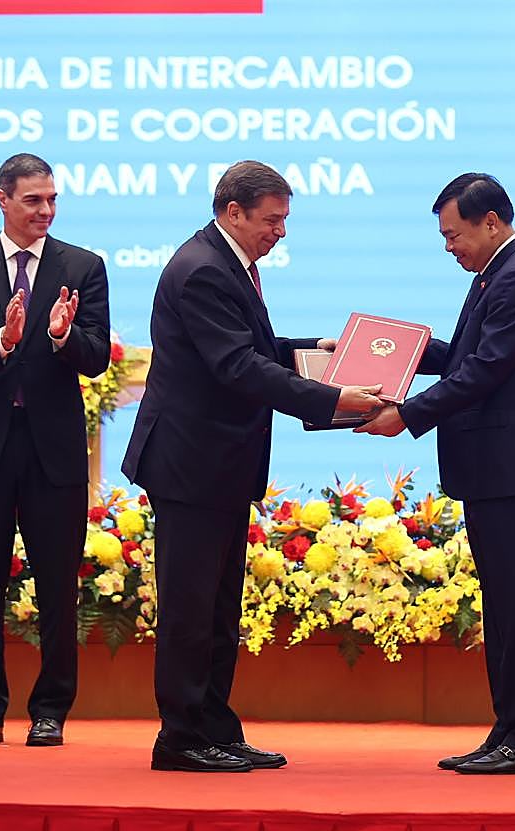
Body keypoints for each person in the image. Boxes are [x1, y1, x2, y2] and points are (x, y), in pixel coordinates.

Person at [122, 160, 382, 773]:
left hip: (216, 465)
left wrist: (308, 352)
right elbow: (235, 366)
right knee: (191, 609)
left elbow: (249, 348)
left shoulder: (225, 262)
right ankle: (181, 739)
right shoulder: (202, 270)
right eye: (273, 219)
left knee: (217, 607)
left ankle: (214, 727)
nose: (280, 232)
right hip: (190, 465)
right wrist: (330, 398)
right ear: (233, 212)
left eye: (284, 219)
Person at [357, 173, 515, 775]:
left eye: (454, 234)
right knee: (502, 607)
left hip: (511, 468)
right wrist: (392, 349)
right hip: (492, 469)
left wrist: (407, 414)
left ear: (490, 222)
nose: (449, 246)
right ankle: (509, 731)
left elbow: (487, 371)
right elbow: (467, 359)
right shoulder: (496, 273)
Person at [0, 153, 111, 747]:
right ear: (3, 198)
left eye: (53, 199)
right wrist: (2, 341)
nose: (46, 211)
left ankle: (51, 709)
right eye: (34, 200)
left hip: (53, 450)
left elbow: (94, 357)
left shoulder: (83, 266)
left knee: (58, 584)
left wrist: (60, 335)